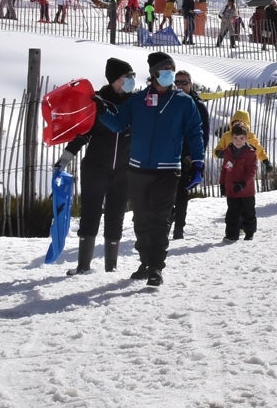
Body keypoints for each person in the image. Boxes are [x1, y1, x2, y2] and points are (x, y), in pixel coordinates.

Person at [94, 51, 205, 287]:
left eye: (171, 72)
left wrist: (198, 162)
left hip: (168, 169)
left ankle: (156, 267)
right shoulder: (138, 100)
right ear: (154, 74)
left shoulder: (184, 102)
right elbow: (118, 124)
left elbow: (195, 132)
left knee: (160, 219)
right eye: (165, 72)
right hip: (137, 169)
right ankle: (145, 261)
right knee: (141, 219)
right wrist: (101, 111)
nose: (169, 76)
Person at [55, 58, 137, 275]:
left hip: (123, 170)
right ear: (114, 80)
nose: (131, 81)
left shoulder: (135, 103)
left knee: (116, 214)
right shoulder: (97, 103)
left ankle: (111, 267)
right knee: (90, 212)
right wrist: (65, 158)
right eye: (126, 77)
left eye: (132, 77)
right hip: (95, 167)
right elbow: (82, 133)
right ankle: (83, 266)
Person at [171, 70, 210, 240]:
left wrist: (196, 158)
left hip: (187, 156)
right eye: (177, 82)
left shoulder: (197, 105)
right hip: (170, 154)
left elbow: (204, 134)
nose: (180, 86)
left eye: (184, 82)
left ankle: (178, 227)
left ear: (190, 84)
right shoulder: (171, 101)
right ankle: (167, 219)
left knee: (181, 193)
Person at [219, 124, 258, 242]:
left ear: (246, 138)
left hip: (246, 190)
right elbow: (225, 169)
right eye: (235, 138)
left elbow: (252, 171)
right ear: (231, 138)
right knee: (232, 213)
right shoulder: (228, 152)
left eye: (241, 138)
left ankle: (249, 232)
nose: (238, 141)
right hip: (232, 190)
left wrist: (242, 184)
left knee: (248, 212)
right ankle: (231, 235)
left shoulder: (250, 153)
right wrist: (222, 184)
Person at [214, 109, 272, 177]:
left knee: (245, 182)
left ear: (246, 125)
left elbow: (259, 150)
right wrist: (219, 153)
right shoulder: (227, 136)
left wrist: (266, 161)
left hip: (245, 166)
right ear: (232, 123)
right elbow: (218, 149)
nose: (237, 124)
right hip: (230, 164)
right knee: (229, 178)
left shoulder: (250, 137)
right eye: (235, 122)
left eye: (240, 123)